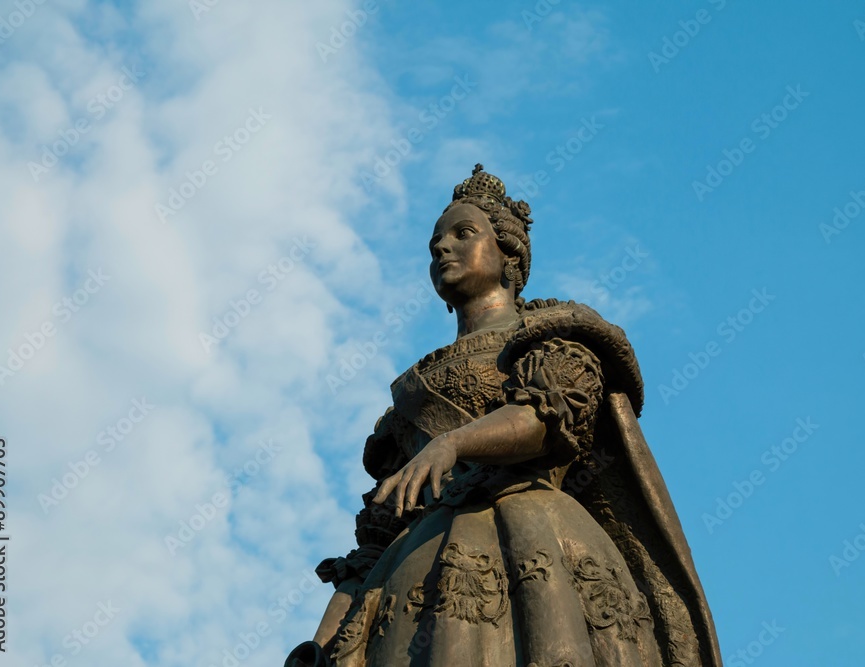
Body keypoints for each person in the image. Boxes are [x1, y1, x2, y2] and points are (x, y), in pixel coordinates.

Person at [285, 165, 722, 667]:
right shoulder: (410, 400)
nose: (441, 247)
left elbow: (544, 421)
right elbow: (375, 542)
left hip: (539, 538)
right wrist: (320, 644)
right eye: (435, 241)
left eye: (463, 233)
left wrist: (452, 443)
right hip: (414, 577)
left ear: (508, 253)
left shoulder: (556, 339)